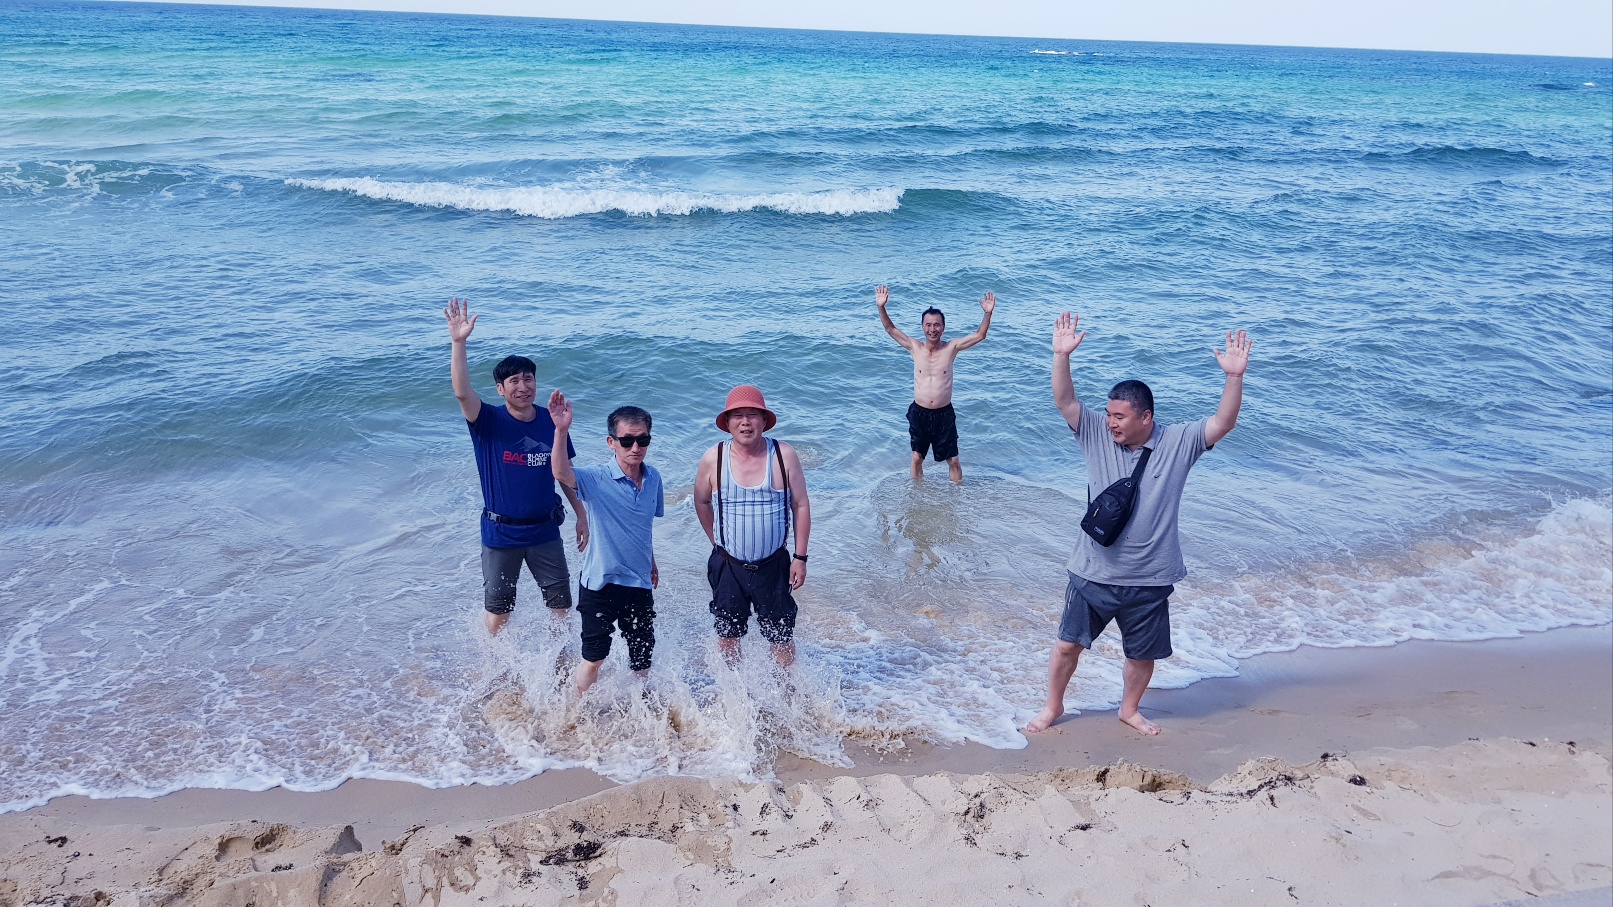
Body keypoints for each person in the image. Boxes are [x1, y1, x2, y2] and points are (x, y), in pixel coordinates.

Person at [1026, 312, 1251, 736]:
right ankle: (1052, 706)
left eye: (1119, 416)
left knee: (1141, 655)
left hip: (1150, 576)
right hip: (1092, 571)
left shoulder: (1179, 441)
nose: (1110, 421)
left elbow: (1224, 422)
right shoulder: (1095, 433)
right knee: (1067, 645)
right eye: (1108, 414)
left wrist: (1234, 377)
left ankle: (1129, 709)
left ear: (1145, 417)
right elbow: (1065, 401)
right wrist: (1061, 356)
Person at [445, 298, 587, 637]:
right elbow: (463, 393)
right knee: (499, 611)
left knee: (560, 607)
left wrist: (581, 514)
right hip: (501, 532)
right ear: (500, 389)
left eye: (528, 379)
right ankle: (492, 663)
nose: (523, 387)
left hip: (545, 531)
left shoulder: (552, 421)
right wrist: (458, 342)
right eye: (514, 381)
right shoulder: (488, 421)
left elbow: (564, 473)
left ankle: (560, 661)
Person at [548, 394, 664, 694]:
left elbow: (643, 526)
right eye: (627, 441)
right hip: (600, 584)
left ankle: (642, 712)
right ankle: (574, 710)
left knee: (642, 661)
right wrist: (561, 431)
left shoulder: (653, 478)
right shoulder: (596, 478)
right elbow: (560, 472)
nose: (635, 447)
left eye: (642, 440)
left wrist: (651, 562)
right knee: (594, 658)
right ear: (611, 442)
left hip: (638, 583)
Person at [693, 386, 812, 668]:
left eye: (752, 415)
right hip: (728, 565)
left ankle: (784, 688)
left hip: (774, 565)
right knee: (728, 637)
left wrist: (800, 557)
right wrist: (717, 541)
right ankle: (734, 689)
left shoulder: (783, 455)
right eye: (738, 416)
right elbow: (701, 501)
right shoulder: (714, 458)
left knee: (781, 637)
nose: (745, 422)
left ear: (764, 420)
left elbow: (801, 505)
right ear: (728, 422)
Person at [874, 284, 995, 483]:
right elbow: (890, 329)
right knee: (916, 458)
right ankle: (916, 496)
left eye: (937, 325)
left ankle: (956, 496)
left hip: (944, 414)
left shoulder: (952, 348)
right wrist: (881, 307)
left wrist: (988, 313)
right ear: (923, 327)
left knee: (954, 461)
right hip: (919, 413)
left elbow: (980, 335)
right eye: (928, 325)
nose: (932, 329)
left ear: (943, 327)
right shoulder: (915, 347)